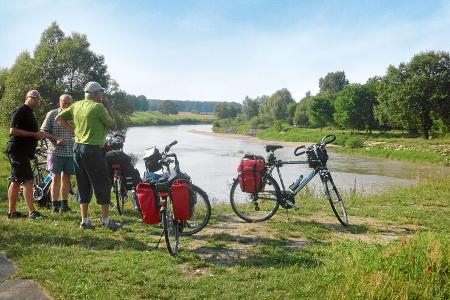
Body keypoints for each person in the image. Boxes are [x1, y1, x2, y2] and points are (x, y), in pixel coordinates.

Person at [55, 81, 120, 230]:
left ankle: (84, 221)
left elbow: (59, 118)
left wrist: (74, 131)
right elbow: (114, 125)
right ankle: (105, 221)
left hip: (78, 148)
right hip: (93, 150)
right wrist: (108, 106)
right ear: (96, 94)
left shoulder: (76, 105)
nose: (102, 95)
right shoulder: (98, 107)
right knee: (102, 182)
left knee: (82, 182)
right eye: (101, 93)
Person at [6, 90, 45, 219]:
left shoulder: (29, 112)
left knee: (16, 180)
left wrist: (38, 134)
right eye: (34, 97)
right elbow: (13, 131)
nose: (36, 100)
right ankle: (32, 212)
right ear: (27, 97)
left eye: (38, 98)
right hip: (17, 150)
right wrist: (34, 134)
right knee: (29, 180)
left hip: (23, 151)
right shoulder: (20, 110)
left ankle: (12, 212)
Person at [40, 94, 75, 213]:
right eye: (64, 102)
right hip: (55, 151)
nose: (66, 105)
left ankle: (64, 205)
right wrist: (55, 138)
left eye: (69, 103)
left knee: (67, 179)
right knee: (55, 178)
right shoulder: (52, 113)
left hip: (70, 152)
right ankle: (54, 205)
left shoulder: (75, 114)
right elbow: (43, 131)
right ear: (59, 102)